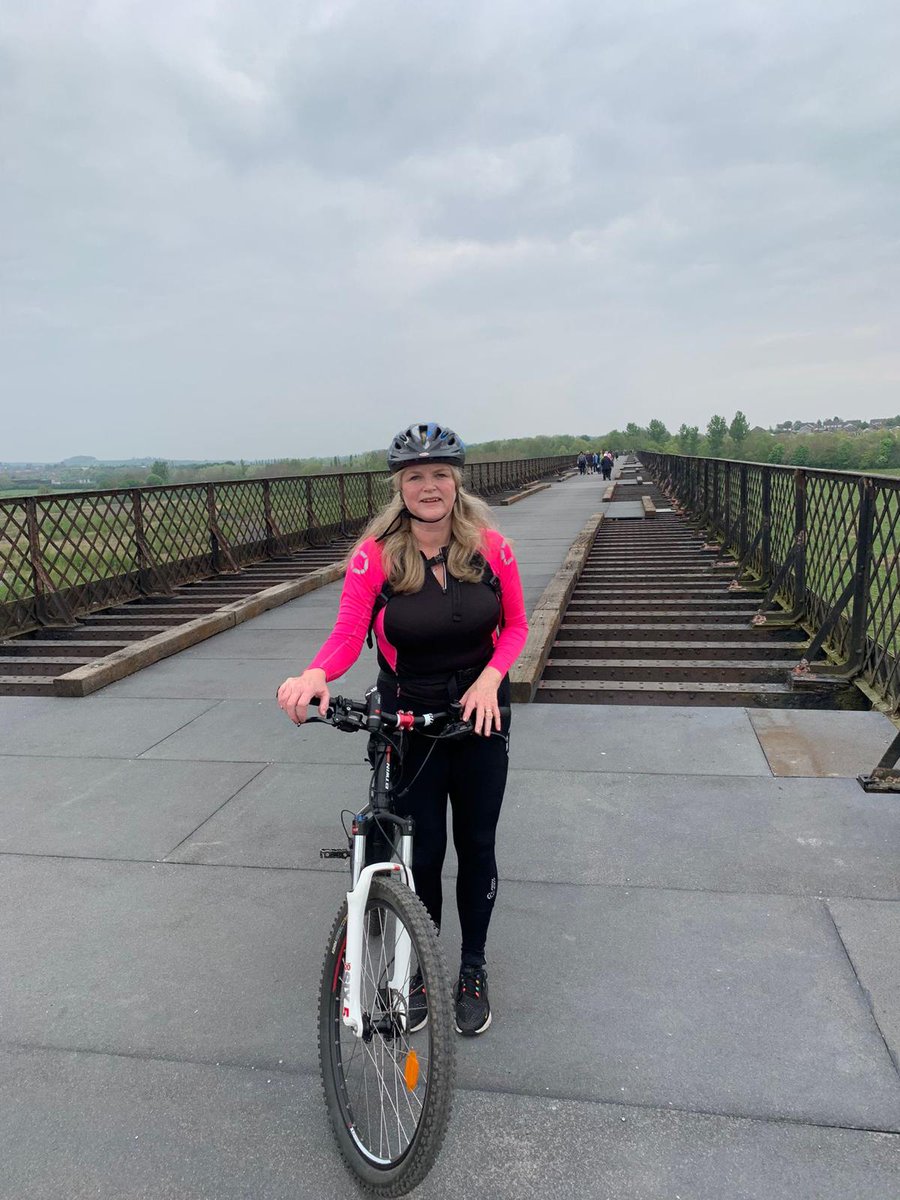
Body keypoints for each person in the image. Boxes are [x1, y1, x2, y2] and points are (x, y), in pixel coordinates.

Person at [277, 423, 528, 1036]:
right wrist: (315, 673)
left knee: (477, 846)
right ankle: (420, 964)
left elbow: (517, 625)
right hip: (408, 721)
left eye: (439, 474)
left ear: (456, 481)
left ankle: (472, 967)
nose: (429, 486)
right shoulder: (375, 557)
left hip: (478, 716)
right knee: (421, 857)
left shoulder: (492, 548)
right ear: (401, 487)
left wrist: (492, 678)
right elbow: (346, 633)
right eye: (415, 476)